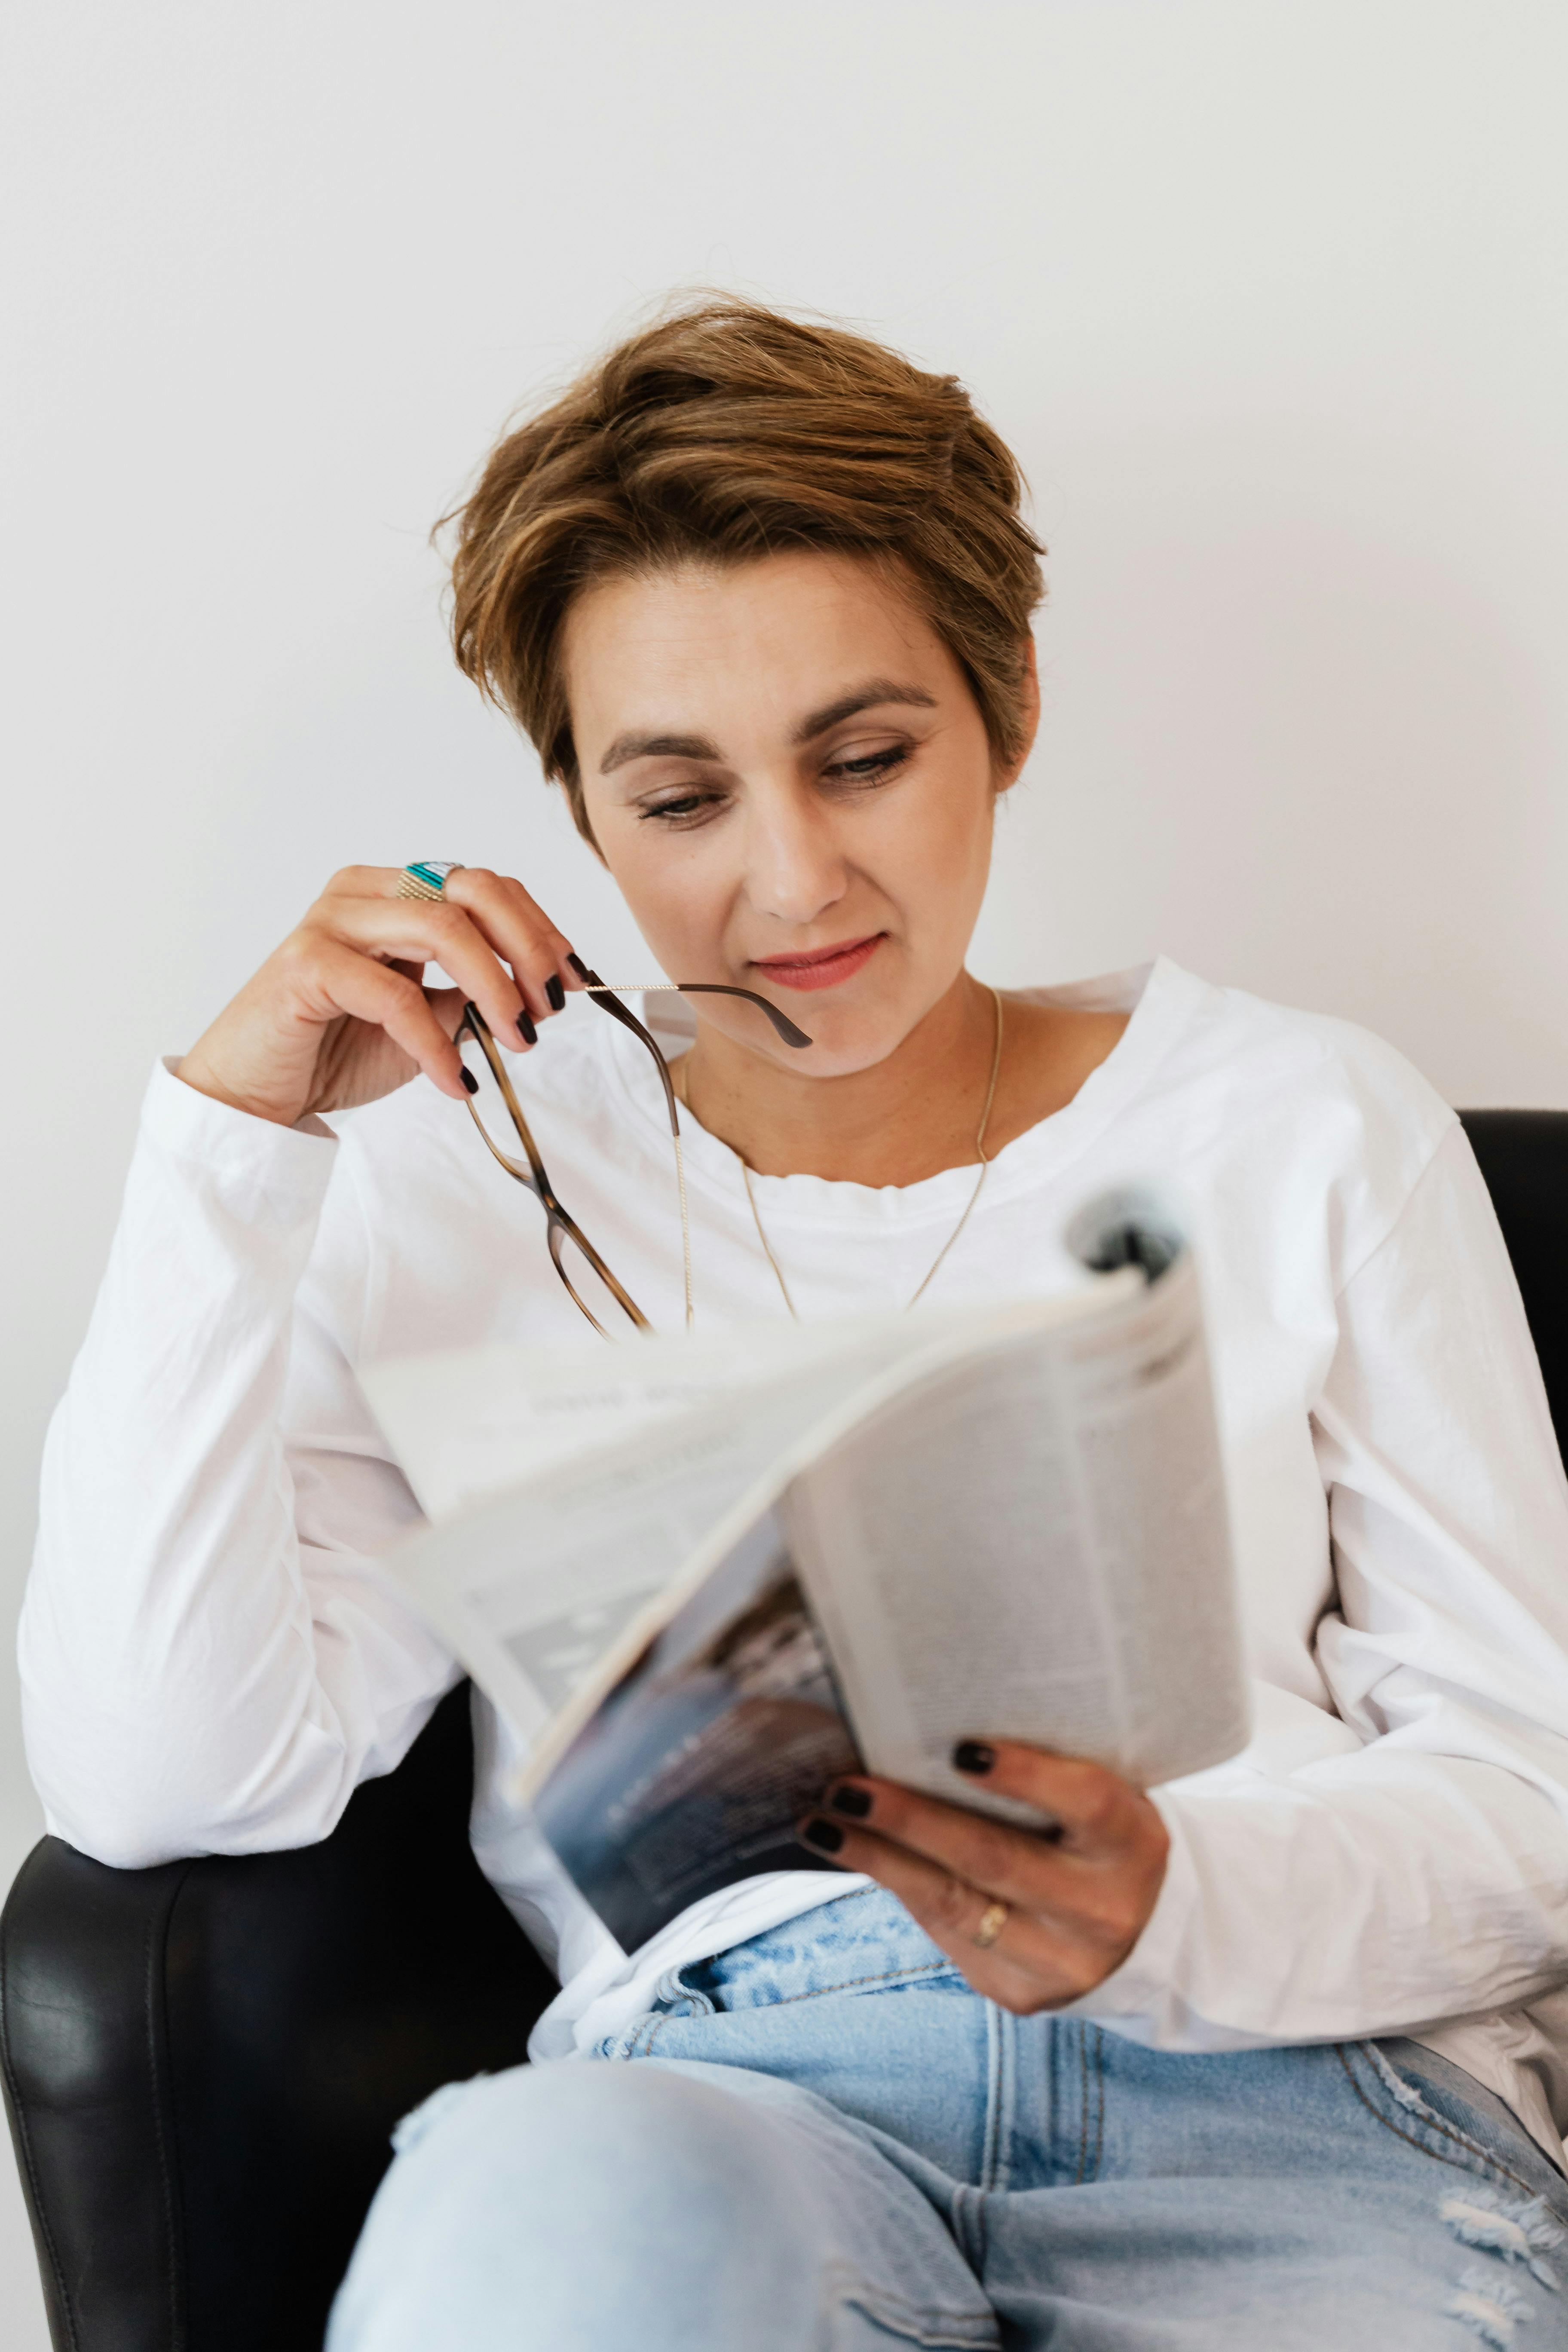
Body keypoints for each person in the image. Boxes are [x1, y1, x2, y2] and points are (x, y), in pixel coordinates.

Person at [21, 299, 1568, 2351]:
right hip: (729, 2097)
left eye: (866, 756)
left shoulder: (1303, 1121)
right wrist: (232, 1145)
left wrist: (1176, 1903)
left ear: (1007, 702)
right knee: (533, 2244)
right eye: (680, 802)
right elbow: (164, 1786)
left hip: (1296, 2115)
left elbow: (1530, 1803)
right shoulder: (465, 1175)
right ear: (578, 810)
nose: (794, 879)